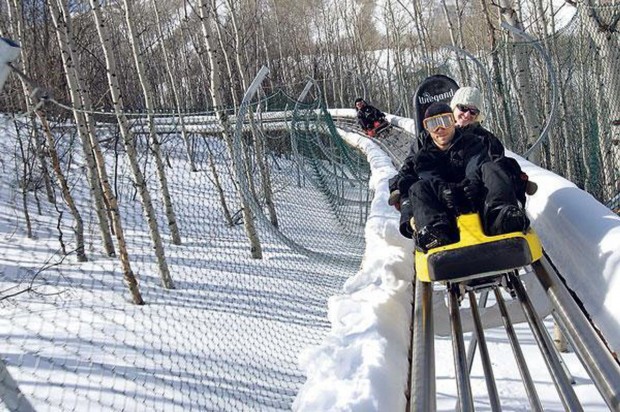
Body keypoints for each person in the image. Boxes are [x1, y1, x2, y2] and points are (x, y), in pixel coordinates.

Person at [399, 102, 530, 251]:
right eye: (433, 124)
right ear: (427, 129)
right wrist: (444, 192)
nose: (440, 129)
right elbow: (430, 177)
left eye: (445, 122)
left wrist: (472, 185)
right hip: (445, 210)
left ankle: (501, 216)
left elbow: (475, 165)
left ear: (453, 122)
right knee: (418, 187)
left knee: (493, 168)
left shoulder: (472, 142)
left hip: (477, 201)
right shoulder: (424, 156)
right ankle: (435, 232)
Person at [450, 87, 531, 205]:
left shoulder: (486, 138)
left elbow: (497, 166)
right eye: (463, 108)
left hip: (480, 194)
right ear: (454, 107)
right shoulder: (440, 134)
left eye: (473, 111)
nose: (467, 114)